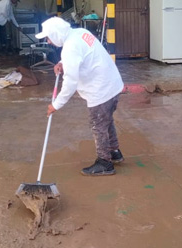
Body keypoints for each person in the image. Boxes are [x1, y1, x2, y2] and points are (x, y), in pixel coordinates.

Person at [36, 17, 125, 177]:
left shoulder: (70, 47)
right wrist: (63, 63)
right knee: (106, 120)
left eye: (48, 37)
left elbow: (70, 82)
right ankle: (114, 152)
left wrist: (56, 104)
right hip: (112, 84)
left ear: (56, 34)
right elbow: (78, 54)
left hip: (101, 89)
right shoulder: (79, 33)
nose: (48, 41)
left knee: (98, 124)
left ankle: (105, 163)